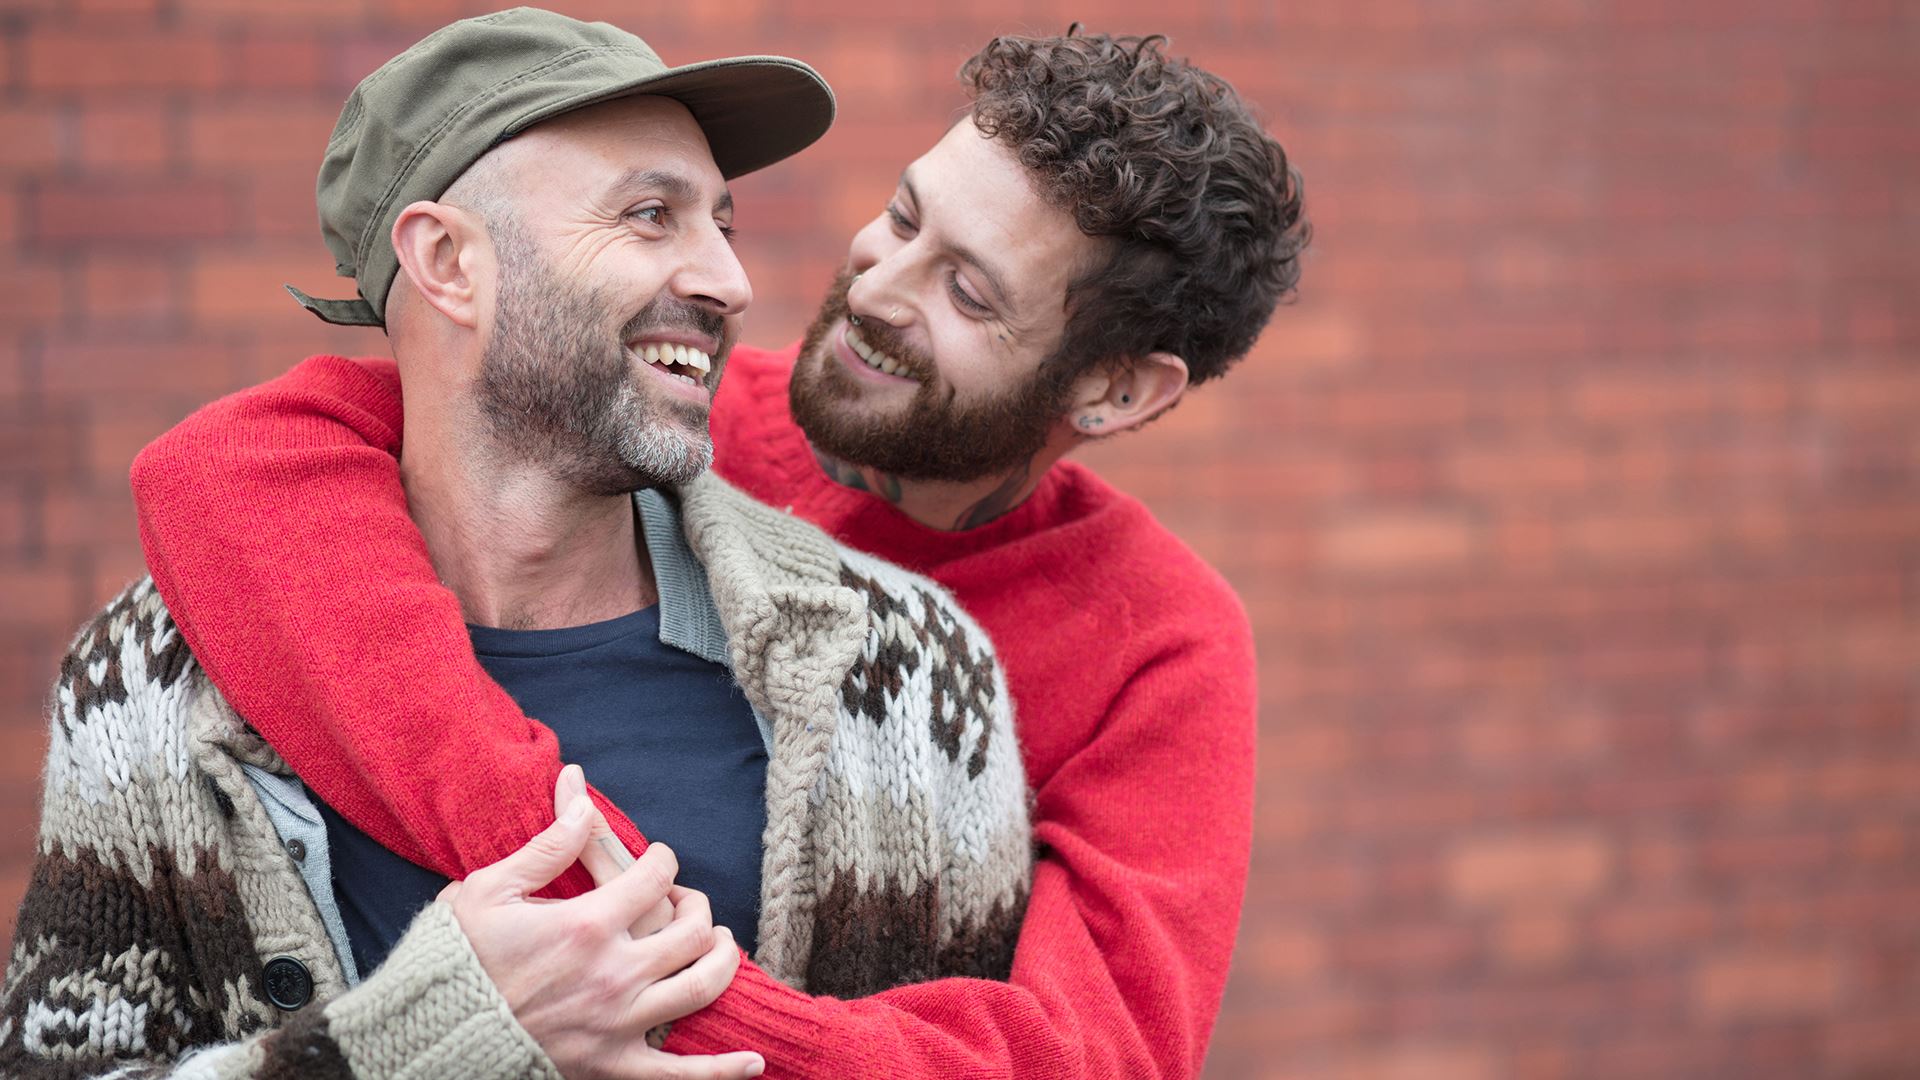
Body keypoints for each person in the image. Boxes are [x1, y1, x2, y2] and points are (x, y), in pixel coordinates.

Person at [124, 24, 1309, 1080]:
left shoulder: (1161, 643)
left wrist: (682, 1008)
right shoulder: (653, 426)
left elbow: (1098, 1055)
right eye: (904, 218)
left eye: (969, 292)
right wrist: (563, 882)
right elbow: (225, 467)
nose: (880, 289)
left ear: (1115, 390)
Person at [0, 10, 1033, 1079]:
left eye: (722, 223)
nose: (729, 281)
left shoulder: (899, 671)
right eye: (651, 215)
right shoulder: (158, 682)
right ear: (449, 261)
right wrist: (421, 1044)